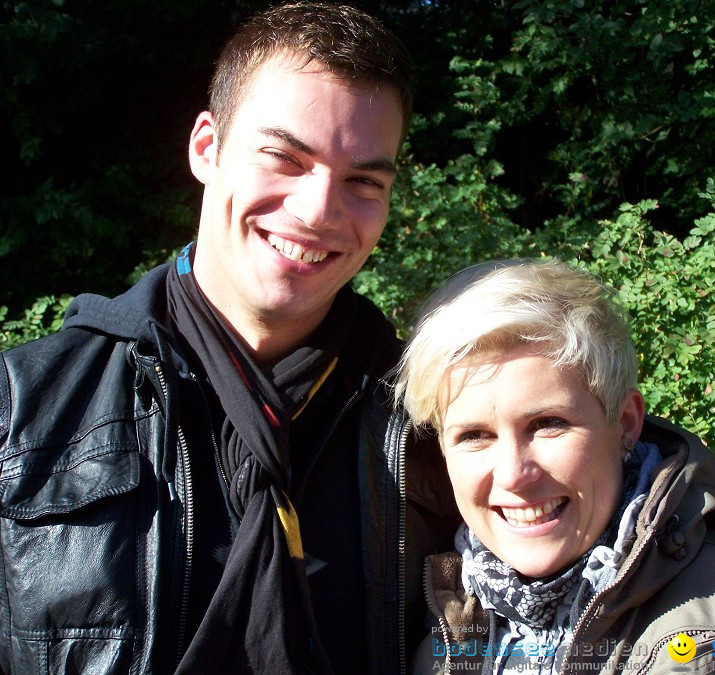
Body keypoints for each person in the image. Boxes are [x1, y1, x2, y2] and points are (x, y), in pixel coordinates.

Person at [0, 3, 457, 673]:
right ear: (206, 148)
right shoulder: (20, 408)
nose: (319, 209)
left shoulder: (440, 418)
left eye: (363, 180)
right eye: (284, 157)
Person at [394, 259, 715, 674]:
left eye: (548, 424)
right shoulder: (441, 636)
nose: (514, 474)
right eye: (474, 436)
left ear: (624, 424)